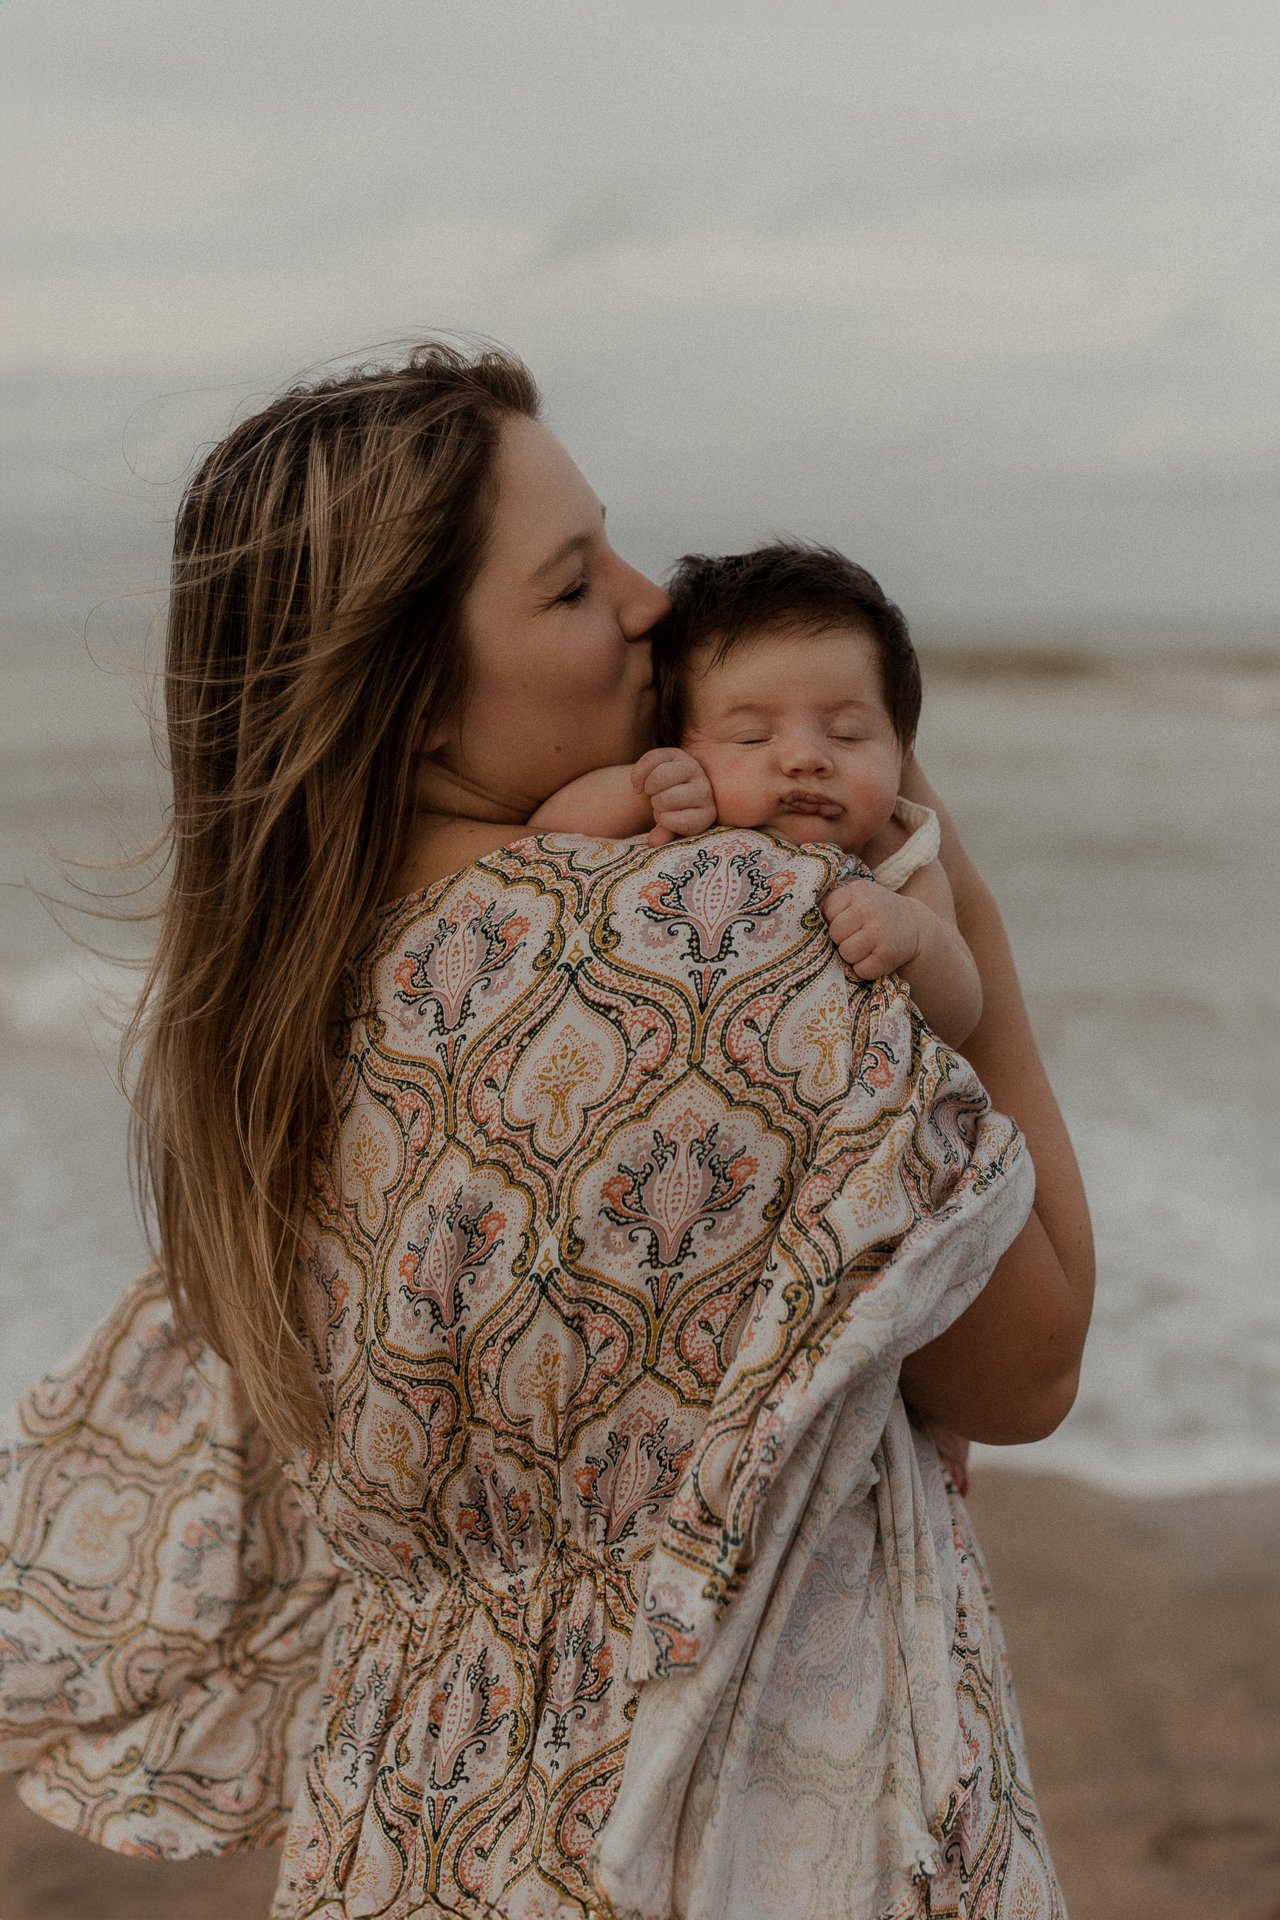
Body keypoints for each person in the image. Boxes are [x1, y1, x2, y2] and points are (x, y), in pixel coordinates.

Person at [0, 343, 1093, 1920]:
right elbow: (1029, 1365)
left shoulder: (267, 1035)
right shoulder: (723, 939)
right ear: (416, 690)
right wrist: (955, 900)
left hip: (403, 1834)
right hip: (742, 1820)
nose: (654, 602)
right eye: (576, 584)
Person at [528, 542, 983, 1052]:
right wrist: (643, 792)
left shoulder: (900, 860)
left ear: (903, 748)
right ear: (677, 742)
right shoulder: (685, 805)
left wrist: (915, 938)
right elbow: (544, 840)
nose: (806, 759)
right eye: (752, 737)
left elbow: (960, 1017)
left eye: (847, 734)